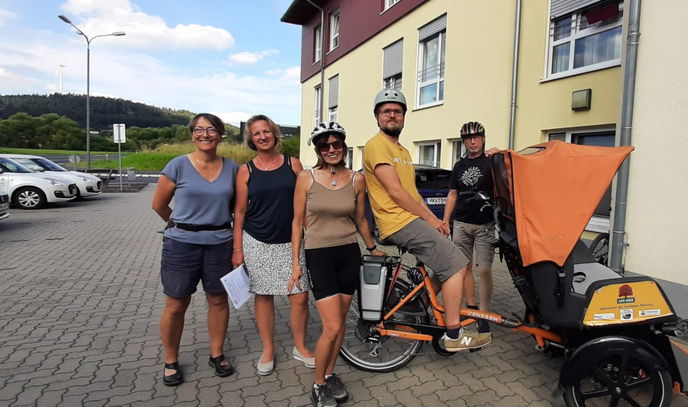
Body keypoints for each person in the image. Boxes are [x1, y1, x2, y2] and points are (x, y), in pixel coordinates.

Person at [362, 89, 492, 352]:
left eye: (397, 111)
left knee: (441, 266)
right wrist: (429, 221)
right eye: (386, 111)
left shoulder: (402, 150)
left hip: (410, 219)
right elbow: (395, 192)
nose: (392, 115)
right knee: (456, 264)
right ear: (377, 116)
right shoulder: (376, 145)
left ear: (404, 117)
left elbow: (413, 194)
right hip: (397, 222)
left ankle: (413, 306)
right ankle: (454, 335)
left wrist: (437, 221)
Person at [292, 122, 385, 407]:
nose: (331, 149)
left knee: (341, 322)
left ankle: (330, 374)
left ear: (343, 146)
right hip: (319, 256)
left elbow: (360, 220)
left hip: (348, 254)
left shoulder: (357, 179)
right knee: (331, 327)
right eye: (325, 145)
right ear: (318, 149)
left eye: (336, 144)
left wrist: (372, 247)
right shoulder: (306, 178)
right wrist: (295, 263)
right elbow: (296, 223)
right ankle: (318, 384)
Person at [152, 113, 237, 386]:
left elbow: (239, 208)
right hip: (181, 245)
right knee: (176, 304)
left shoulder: (233, 168)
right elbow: (159, 205)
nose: (205, 134)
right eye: (199, 129)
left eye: (211, 129)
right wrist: (182, 226)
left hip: (220, 244)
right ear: (192, 135)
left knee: (218, 300)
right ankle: (170, 360)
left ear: (220, 135)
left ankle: (216, 353)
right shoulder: (177, 165)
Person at [232, 114, 314, 376]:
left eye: (266, 131)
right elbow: (240, 212)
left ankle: (300, 346)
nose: (262, 136)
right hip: (256, 240)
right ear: (251, 139)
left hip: (291, 241)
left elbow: (307, 204)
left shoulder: (293, 164)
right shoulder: (246, 170)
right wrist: (238, 249)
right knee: (263, 295)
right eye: (256, 133)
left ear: (275, 134)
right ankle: (268, 349)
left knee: (300, 297)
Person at [442, 121, 496, 346]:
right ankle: (471, 307)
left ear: (483, 138)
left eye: (476, 137)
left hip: (485, 225)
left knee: (483, 269)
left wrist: (501, 152)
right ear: (463, 142)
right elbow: (453, 194)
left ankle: (483, 314)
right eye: (468, 138)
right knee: (463, 269)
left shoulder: (492, 162)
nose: (472, 141)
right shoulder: (459, 165)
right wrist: (445, 220)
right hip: (462, 224)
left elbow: (513, 166)